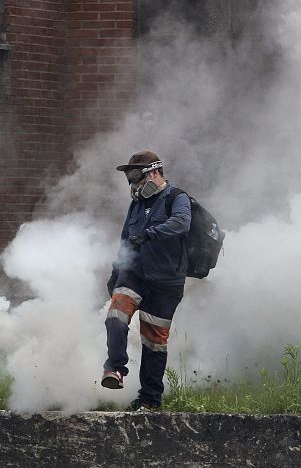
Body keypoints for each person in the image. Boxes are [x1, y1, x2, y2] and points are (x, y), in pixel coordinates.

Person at [101, 150, 191, 411]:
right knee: (115, 316)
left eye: (134, 175)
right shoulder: (136, 205)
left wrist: (151, 234)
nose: (132, 183)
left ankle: (149, 400)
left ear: (153, 172)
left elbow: (182, 223)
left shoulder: (177, 198)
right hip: (135, 274)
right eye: (128, 177)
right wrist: (116, 272)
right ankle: (114, 368)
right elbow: (124, 241)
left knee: (154, 343)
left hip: (166, 283)